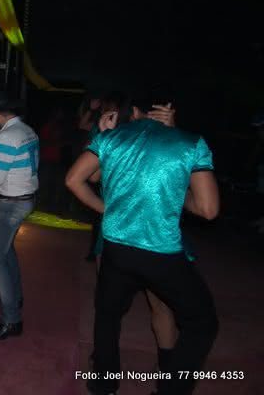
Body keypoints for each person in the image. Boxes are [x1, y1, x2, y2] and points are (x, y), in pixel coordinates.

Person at [66, 88, 219, 395]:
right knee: (201, 322)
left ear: (134, 111)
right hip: (161, 253)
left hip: (117, 249)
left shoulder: (112, 138)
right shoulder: (190, 143)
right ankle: (171, 387)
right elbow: (208, 209)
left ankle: (104, 383)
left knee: (108, 314)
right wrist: (175, 193)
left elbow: (74, 179)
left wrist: (106, 209)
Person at [0, 91, 38, 340]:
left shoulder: (6, 136)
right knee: (7, 250)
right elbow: (15, 164)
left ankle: (11, 320)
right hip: (24, 199)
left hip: (11, 205)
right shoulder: (27, 130)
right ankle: (16, 295)